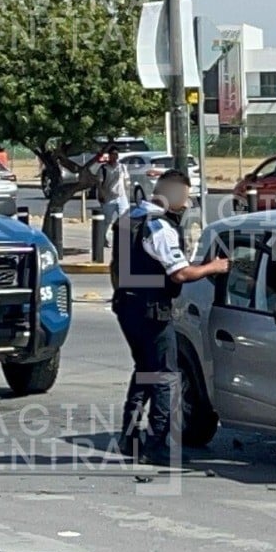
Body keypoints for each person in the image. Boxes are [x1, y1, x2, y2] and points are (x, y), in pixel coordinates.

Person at [111, 170, 229, 464]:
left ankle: (129, 438)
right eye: (184, 198)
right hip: (152, 310)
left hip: (127, 307)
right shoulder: (159, 228)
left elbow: (114, 267)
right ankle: (160, 445)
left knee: (145, 371)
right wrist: (213, 268)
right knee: (166, 377)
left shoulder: (128, 219)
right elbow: (180, 273)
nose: (186, 204)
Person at [95, 146, 129, 247]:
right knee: (107, 220)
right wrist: (101, 194)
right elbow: (99, 183)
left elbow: (126, 180)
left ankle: (124, 240)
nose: (115, 156)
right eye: (113, 154)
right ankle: (103, 239)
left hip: (121, 197)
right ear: (109, 155)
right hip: (108, 198)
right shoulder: (104, 169)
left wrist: (128, 188)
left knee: (125, 218)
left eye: (116, 154)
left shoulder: (122, 167)